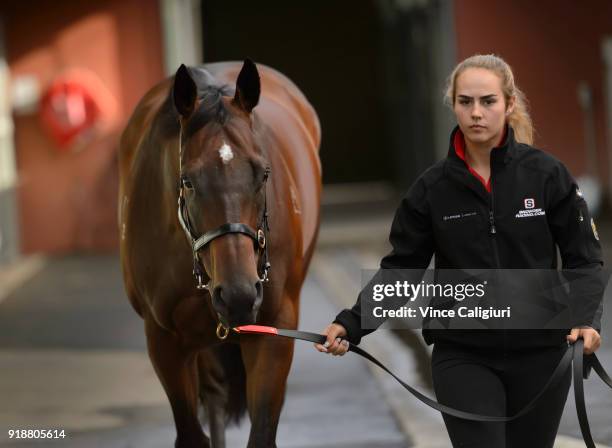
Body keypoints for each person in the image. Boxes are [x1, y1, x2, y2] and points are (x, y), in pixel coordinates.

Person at [314, 54, 604, 447]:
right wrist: (353, 323)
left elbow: (583, 258)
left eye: (488, 101)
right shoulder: (431, 190)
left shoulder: (548, 176)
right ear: (453, 104)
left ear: (509, 104)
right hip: (463, 356)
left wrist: (586, 319)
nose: (476, 113)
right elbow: (403, 268)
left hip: (540, 355)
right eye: (465, 102)